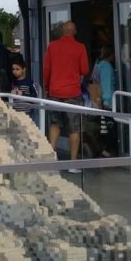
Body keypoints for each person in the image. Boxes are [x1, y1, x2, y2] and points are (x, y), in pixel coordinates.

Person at [43, 21, 89, 171]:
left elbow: (46, 70)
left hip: (54, 91)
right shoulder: (80, 47)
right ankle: (72, 164)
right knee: (74, 128)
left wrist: (47, 87)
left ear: (62, 31)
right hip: (72, 93)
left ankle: (51, 159)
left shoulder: (52, 46)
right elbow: (85, 70)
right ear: (74, 32)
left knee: (55, 124)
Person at [92, 46, 118, 157]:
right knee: (109, 128)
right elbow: (106, 85)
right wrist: (107, 101)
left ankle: (102, 149)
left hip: (100, 99)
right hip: (108, 102)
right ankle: (107, 150)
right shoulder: (106, 66)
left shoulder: (98, 65)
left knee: (103, 127)